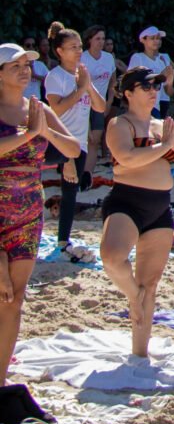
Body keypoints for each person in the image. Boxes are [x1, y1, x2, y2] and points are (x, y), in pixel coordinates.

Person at [101, 69, 174, 354]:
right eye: (145, 86)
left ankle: (139, 352)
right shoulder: (120, 123)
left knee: (151, 284)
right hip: (127, 200)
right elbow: (127, 158)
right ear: (128, 93)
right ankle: (132, 295)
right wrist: (165, 147)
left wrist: (172, 145)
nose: (153, 90)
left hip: (160, 206)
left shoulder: (162, 125)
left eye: (156, 85)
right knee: (112, 257)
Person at [0, 44, 81, 383]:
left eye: (26, 64)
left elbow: (73, 148)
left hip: (29, 211)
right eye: (15, 65)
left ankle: (1, 382)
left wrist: (45, 128)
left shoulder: (38, 108)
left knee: (13, 299)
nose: (24, 70)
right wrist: (30, 134)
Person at [43, 22, 106, 260]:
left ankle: (63, 240)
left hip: (78, 142)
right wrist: (80, 90)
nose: (79, 51)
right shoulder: (55, 76)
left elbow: (100, 107)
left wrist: (87, 84)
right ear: (59, 51)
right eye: (72, 47)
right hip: (56, 140)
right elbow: (55, 110)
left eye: (80, 46)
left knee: (71, 192)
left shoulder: (82, 75)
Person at [81, 25, 117, 176]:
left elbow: (113, 83)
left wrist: (108, 103)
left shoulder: (108, 58)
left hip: (100, 104)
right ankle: (78, 170)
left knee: (95, 139)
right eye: (97, 39)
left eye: (103, 38)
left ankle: (88, 174)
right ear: (89, 40)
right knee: (83, 139)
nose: (101, 42)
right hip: (82, 105)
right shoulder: (82, 58)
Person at [128, 27, 174, 118]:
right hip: (143, 104)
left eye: (158, 38)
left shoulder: (162, 60)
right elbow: (132, 81)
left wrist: (169, 83)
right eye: (152, 38)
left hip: (157, 104)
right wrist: (160, 76)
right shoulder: (137, 58)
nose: (157, 41)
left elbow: (169, 92)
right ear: (143, 40)